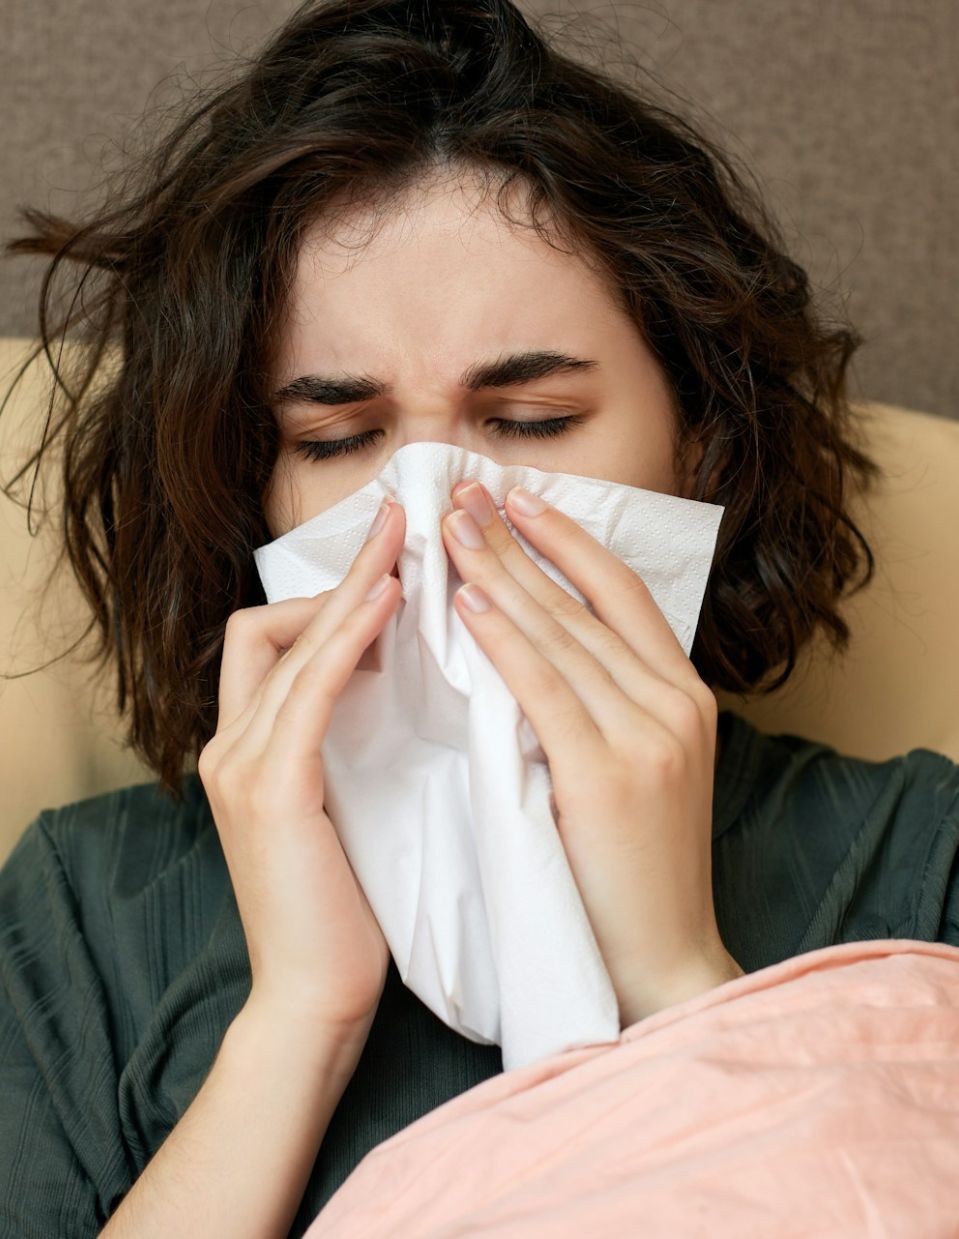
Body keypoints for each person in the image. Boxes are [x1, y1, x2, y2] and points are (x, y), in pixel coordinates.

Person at [1, 0, 957, 1235]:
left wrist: (678, 981)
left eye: (532, 423)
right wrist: (297, 1018)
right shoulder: (86, 910)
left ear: (696, 441)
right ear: (248, 483)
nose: (437, 505)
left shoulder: (916, 857)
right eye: (338, 440)